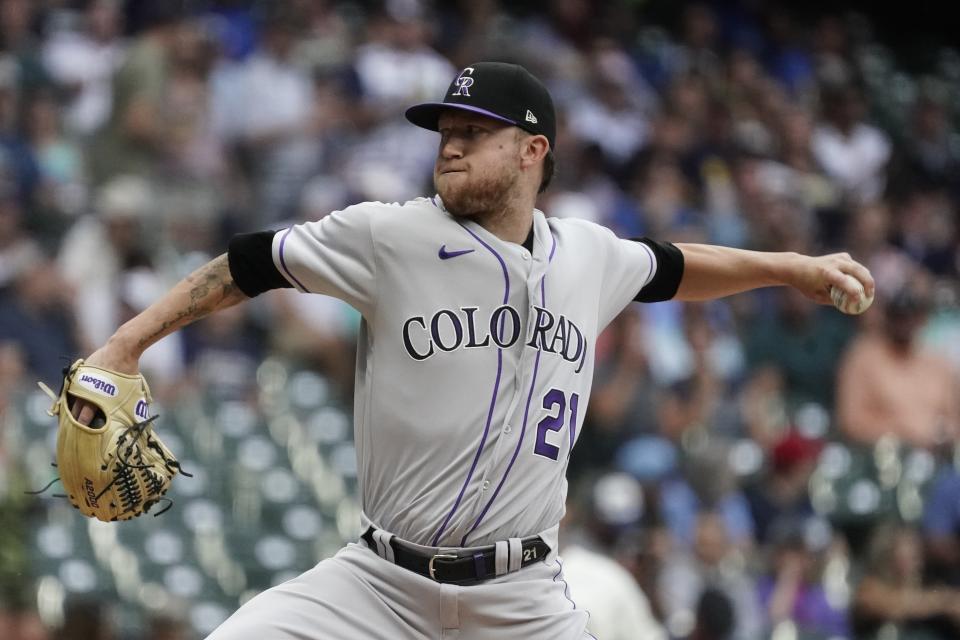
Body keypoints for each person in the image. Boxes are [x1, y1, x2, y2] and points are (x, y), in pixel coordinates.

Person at [70, 62, 874, 639]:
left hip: (522, 601)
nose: (447, 146)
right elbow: (252, 261)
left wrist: (791, 269)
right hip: (376, 586)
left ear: (533, 151)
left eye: (471, 133)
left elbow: (674, 266)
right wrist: (125, 343)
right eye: (443, 132)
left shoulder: (591, 254)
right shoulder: (389, 233)